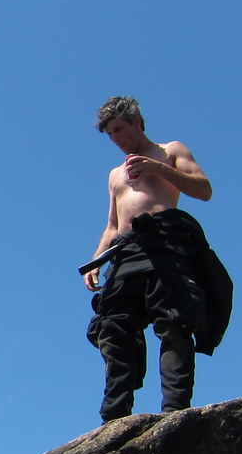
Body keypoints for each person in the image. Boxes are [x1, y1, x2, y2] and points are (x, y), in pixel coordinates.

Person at [84, 96, 230, 423]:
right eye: (110, 134)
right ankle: (115, 417)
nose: (116, 138)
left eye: (119, 129)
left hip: (165, 244)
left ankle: (175, 413)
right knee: (114, 327)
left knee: (175, 321)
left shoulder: (170, 150)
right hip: (125, 253)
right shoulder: (115, 175)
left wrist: (157, 168)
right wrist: (96, 261)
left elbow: (204, 190)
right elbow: (112, 225)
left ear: (137, 122)